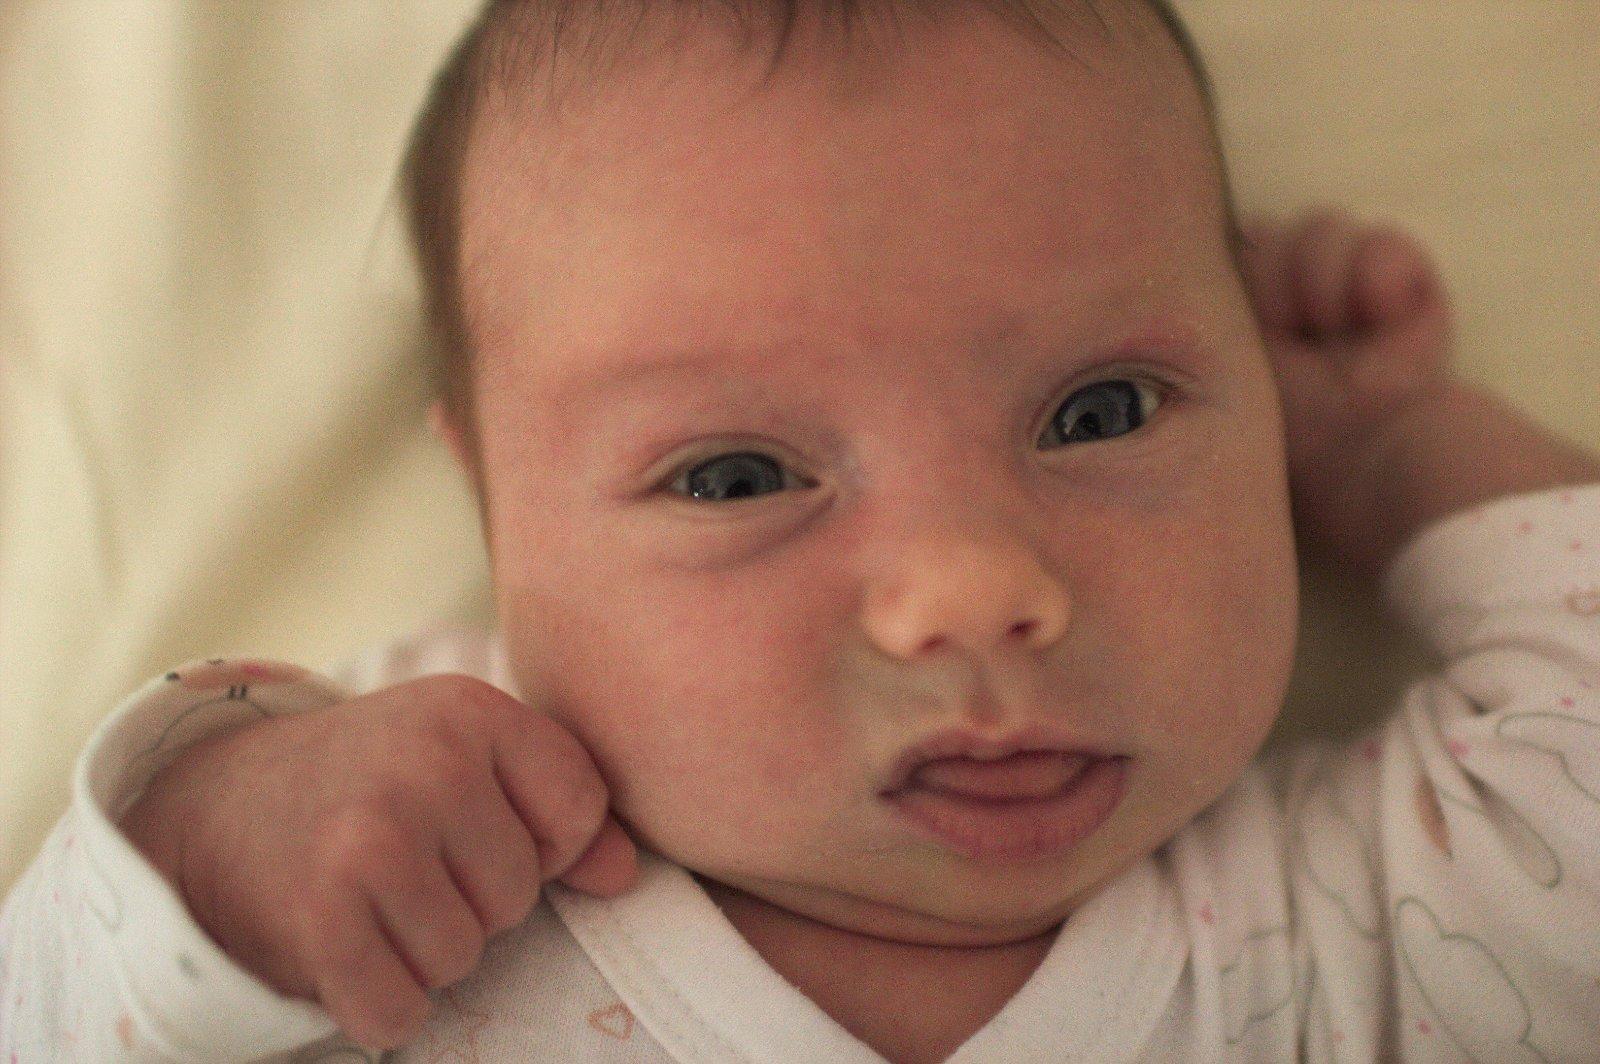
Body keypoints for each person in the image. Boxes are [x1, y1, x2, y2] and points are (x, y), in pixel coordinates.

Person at [4, 0, 1599, 1060]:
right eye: (734, 478)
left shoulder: (1366, 917)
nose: (972, 591)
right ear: (495, 507)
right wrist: (218, 866)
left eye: (1103, 410)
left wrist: (1389, 449)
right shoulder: (416, 848)